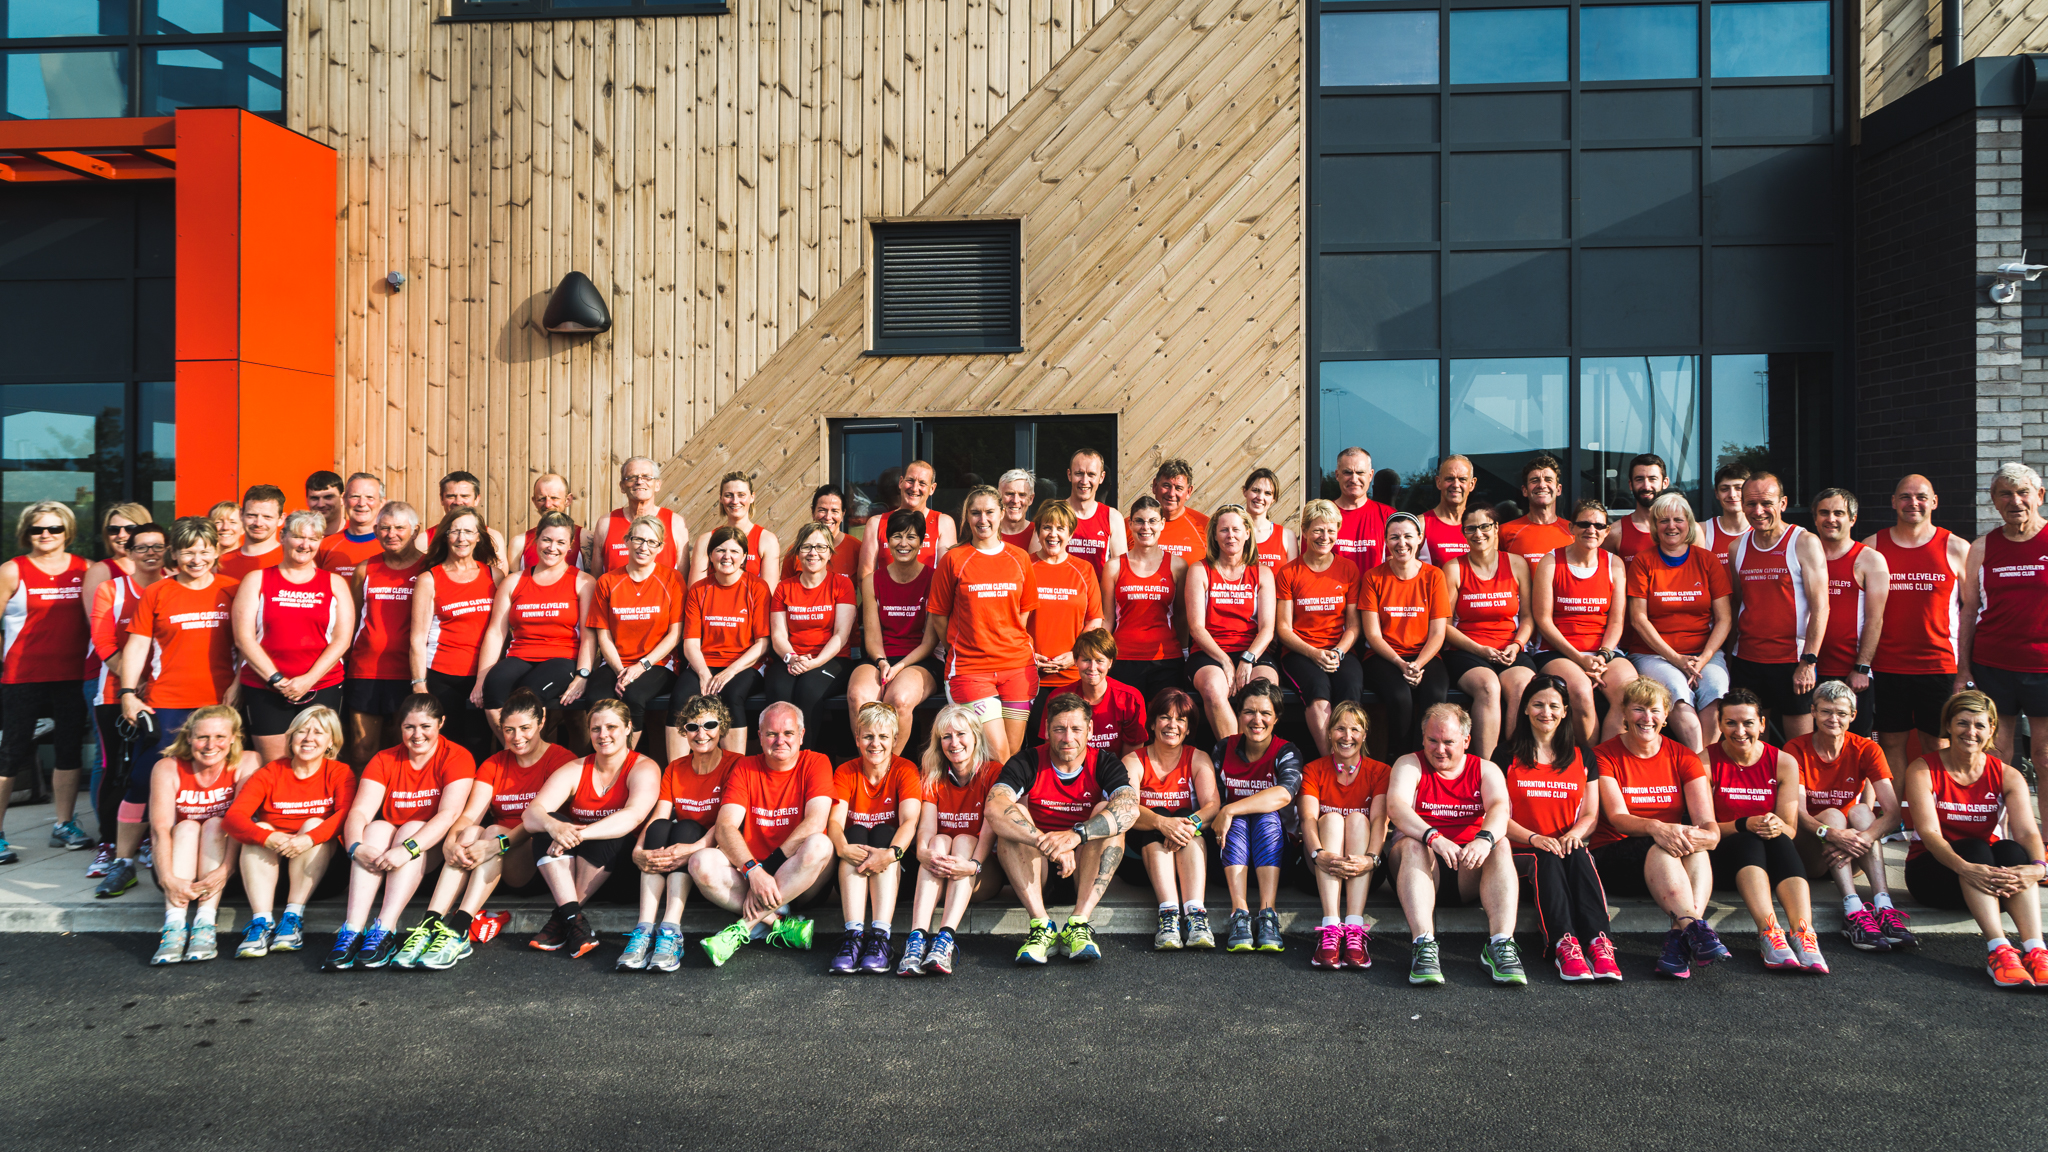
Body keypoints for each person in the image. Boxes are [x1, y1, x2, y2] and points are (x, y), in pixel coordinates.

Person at [116, 518, 241, 896]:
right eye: (188, 550)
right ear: (175, 553)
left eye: (205, 550)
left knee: (221, 783)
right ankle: (123, 860)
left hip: (219, 704)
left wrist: (237, 685)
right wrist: (126, 692)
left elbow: (250, 642)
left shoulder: (232, 589)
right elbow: (137, 644)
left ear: (216, 551)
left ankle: (210, 858)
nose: (197, 557)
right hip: (166, 702)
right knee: (144, 779)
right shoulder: (157, 592)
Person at [408, 690, 576, 969]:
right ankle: (431, 922)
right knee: (470, 833)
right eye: (508, 730)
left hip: (536, 861)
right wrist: (451, 840)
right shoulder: (494, 763)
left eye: (525, 728)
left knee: (491, 831)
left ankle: (461, 926)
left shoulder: (560, 759)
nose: (517, 737)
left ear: (541, 722)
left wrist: (498, 844)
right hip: (496, 856)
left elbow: (535, 821)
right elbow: (470, 815)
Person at [1900, 691, 2048, 987]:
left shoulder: (2007, 774)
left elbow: (2028, 832)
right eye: (1963, 723)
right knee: (1975, 848)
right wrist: (1964, 867)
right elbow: (1929, 834)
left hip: (1987, 881)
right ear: (1949, 726)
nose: (1971, 732)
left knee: (2011, 851)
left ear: (1991, 729)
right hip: (1935, 874)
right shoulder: (1923, 768)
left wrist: (2039, 867)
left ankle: (2036, 950)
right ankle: (1999, 951)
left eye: (1980, 725)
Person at [983, 692, 1141, 964]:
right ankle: (1041, 927)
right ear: (1046, 730)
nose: (1068, 737)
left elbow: (1130, 810)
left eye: (1076, 729)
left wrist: (1074, 836)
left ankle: (1079, 924)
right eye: (1059, 729)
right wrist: (1048, 843)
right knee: (1013, 815)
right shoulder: (1027, 761)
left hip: (1084, 869)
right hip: (1037, 871)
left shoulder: (1104, 763)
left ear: (1090, 730)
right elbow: (993, 808)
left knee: (1109, 813)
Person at [323, 694, 477, 970]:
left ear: (441, 723)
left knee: (412, 827)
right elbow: (359, 811)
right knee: (377, 828)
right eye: (409, 727)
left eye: (425, 726)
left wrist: (407, 850)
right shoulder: (385, 759)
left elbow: (448, 815)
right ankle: (353, 929)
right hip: (390, 857)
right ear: (400, 728)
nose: (417, 735)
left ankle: (385, 928)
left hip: (429, 856)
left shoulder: (456, 756)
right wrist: (356, 847)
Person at [1591, 678, 1731, 978]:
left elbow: (1709, 827)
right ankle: (1695, 928)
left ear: (1666, 716)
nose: (1647, 718)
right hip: (1614, 854)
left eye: (1655, 710)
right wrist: (1657, 827)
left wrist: (1700, 835)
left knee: (1692, 845)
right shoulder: (1604, 755)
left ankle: (1683, 936)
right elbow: (1616, 816)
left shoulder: (1684, 757)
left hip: (1669, 866)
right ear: (1625, 715)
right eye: (1638, 710)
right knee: (1668, 842)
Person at [1385, 704, 1525, 986]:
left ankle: (1500, 945)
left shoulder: (1485, 769)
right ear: (1423, 737)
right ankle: (1423, 945)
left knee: (1502, 844)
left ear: (1466, 741)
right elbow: (1396, 807)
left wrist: (1484, 840)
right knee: (1413, 844)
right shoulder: (1409, 763)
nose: (1440, 749)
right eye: (1432, 740)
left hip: (1467, 871)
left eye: (1449, 742)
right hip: (1421, 866)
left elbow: (1500, 808)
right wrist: (1434, 837)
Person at [692, 702, 836, 967]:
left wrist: (766, 869)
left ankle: (743, 928)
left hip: (802, 879)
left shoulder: (816, 761)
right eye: (771, 734)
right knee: (700, 862)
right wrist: (753, 871)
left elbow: (816, 820)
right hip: (754, 875)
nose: (780, 740)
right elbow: (725, 827)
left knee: (820, 844)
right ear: (759, 737)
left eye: (788, 733)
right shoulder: (745, 767)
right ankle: (779, 924)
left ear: (802, 735)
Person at [519, 699, 662, 959]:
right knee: (545, 825)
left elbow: (632, 817)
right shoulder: (577, 767)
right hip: (579, 874)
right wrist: (555, 827)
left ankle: (561, 917)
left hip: (621, 874)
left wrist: (577, 833)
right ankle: (574, 921)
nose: (603, 735)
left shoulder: (643, 767)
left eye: (611, 727)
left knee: (612, 833)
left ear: (628, 727)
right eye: (596, 729)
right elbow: (531, 814)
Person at [1499, 676, 1620, 982]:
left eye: (1554, 705)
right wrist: (1534, 838)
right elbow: (1495, 816)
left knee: (1578, 851)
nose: (1546, 712)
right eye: (1538, 704)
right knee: (1546, 855)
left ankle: (1599, 943)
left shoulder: (1582, 756)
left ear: (1565, 711)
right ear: (1525, 708)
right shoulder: (1505, 755)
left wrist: (1572, 836)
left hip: (1566, 854)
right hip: (1520, 857)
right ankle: (1563, 946)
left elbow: (1591, 815)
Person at [1786, 680, 1913, 952]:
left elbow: (1892, 813)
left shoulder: (1867, 748)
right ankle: (1853, 910)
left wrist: (1863, 837)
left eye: (1841, 713)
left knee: (1863, 811)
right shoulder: (1795, 749)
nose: (1834, 719)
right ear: (1813, 712)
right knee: (1832, 815)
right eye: (1826, 712)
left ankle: (1883, 905)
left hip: (1851, 850)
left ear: (1853, 716)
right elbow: (1795, 812)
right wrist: (1831, 834)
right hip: (1811, 849)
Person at [619, 694, 742, 972]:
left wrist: (694, 847)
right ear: (683, 732)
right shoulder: (675, 768)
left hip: (708, 865)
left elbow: (727, 823)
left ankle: (671, 930)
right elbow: (659, 815)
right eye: (692, 727)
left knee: (685, 827)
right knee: (664, 827)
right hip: (677, 863)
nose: (701, 734)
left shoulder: (736, 764)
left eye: (709, 725)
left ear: (721, 728)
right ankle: (644, 929)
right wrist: (638, 850)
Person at [1706, 689, 1824, 972]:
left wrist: (1774, 825)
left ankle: (1804, 933)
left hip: (1770, 861)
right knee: (1749, 839)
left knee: (1779, 837)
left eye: (1747, 722)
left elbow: (1791, 829)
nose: (1740, 731)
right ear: (1720, 725)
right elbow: (1704, 828)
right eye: (1731, 723)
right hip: (1723, 859)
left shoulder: (1783, 761)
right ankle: (1769, 932)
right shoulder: (1704, 761)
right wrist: (1743, 824)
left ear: (1761, 723)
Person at [0, 501, 92, 862]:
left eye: (54, 529)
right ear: (27, 532)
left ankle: (64, 824)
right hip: (22, 676)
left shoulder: (86, 568)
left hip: (73, 675)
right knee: (11, 754)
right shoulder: (11, 570)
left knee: (69, 750)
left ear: (67, 531)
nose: (46, 535)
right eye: (39, 529)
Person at [226, 705, 355, 958]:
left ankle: (293, 919)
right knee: (258, 829)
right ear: (291, 737)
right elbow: (232, 819)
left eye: (318, 732)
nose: (309, 738)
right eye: (302, 731)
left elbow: (345, 817)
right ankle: (261, 923)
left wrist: (308, 839)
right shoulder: (270, 772)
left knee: (314, 823)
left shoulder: (340, 772)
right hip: (271, 876)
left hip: (322, 876)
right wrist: (268, 837)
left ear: (331, 742)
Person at [232, 509, 357, 764]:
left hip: (321, 686)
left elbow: (342, 640)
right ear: (282, 537)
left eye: (313, 538)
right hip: (266, 688)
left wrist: (308, 680)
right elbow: (243, 638)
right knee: (274, 766)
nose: (305, 544)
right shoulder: (257, 579)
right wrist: (276, 679)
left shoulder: (334, 583)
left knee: (318, 764)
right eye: (298, 536)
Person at [930, 485, 1040, 762]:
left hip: (1017, 667)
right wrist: (964, 645)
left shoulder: (1020, 558)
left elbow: (1022, 615)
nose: (983, 520)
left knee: (1013, 752)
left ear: (1002, 513)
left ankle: (998, 803)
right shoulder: (954, 559)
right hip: (970, 669)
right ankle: (992, 806)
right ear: (966, 517)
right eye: (975, 513)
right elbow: (939, 617)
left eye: (989, 512)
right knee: (998, 753)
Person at [1869, 474, 1969, 776]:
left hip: (1938, 665)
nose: (1913, 503)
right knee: (1890, 742)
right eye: (1905, 496)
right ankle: (1897, 818)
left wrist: (1965, 669)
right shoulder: (1873, 546)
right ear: (1893, 503)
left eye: (1921, 496)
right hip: (1886, 664)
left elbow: (1974, 610)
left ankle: (1934, 817)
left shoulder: (1957, 547)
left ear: (1934, 502)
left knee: (1937, 743)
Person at [144, 706, 261, 964]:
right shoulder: (167, 767)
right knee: (185, 827)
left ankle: (204, 925)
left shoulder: (248, 761)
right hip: (175, 871)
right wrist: (167, 879)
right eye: (202, 737)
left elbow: (241, 823)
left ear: (233, 738)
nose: (210, 745)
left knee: (216, 824)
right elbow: (160, 829)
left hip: (222, 870)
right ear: (188, 738)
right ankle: (174, 925)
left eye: (219, 737)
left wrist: (227, 870)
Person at [85, 520, 167, 883]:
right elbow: (103, 643)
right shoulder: (111, 589)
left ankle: (148, 840)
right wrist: (134, 684)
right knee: (116, 768)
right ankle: (109, 844)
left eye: (157, 546)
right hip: (115, 696)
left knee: (153, 771)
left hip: (164, 695)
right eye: (142, 547)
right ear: (129, 553)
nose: (150, 553)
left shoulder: (175, 585)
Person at [1955, 461, 2048, 772]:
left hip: (2043, 666)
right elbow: (1968, 611)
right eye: (2005, 494)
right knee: (1995, 756)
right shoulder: (1982, 548)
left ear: (2040, 495)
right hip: (1992, 666)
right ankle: (2000, 823)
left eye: (2023, 492)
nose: (2015, 501)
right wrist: (1963, 669)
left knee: (2045, 758)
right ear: (1993, 500)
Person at [900, 703, 1004, 975]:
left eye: (961, 734)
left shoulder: (993, 772)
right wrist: (922, 851)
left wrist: (972, 865)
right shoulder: (933, 774)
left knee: (964, 840)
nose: (954, 742)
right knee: (938, 842)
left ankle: (945, 939)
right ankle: (917, 938)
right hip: (940, 872)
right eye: (946, 736)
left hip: (980, 872)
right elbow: (927, 826)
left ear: (975, 737)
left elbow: (989, 830)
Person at [1624, 492, 1734, 751]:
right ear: (1654, 526)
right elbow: (1638, 619)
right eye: (1663, 521)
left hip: (1703, 653)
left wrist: (1703, 659)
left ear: (1689, 524)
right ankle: (1698, 769)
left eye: (1678, 520)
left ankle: (1703, 769)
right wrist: (1677, 659)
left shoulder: (1708, 561)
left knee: (1716, 688)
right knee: (1676, 690)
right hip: (1654, 654)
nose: (1671, 526)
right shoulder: (1643, 561)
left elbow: (1725, 619)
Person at [1727, 472, 1830, 741]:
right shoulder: (1737, 547)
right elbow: (1738, 604)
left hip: (1792, 662)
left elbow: (1821, 607)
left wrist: (1809, 661)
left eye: (1766, 503)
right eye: (1750, 503)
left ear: (1783, 503)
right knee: (1748, 745)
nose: (1758, 511)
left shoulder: (1804, 542)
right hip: (1747, 660)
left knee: (1799, 748)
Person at [473, 511, 598, 731]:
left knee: (529, 694)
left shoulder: (583, 582)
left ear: (570, 546)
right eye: (547, 540)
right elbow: (495, 633)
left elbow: (589, 636)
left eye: (560, 542)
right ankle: (513, 752)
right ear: (535, 540)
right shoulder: (513, 582)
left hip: (562, 658)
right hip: (520, 655)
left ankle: (535, 758)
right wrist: (481, 678)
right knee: (494, 687)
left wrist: (583, 675)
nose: (552, 547)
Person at [824, 703, 925, 973]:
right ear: (857, 740)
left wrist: (890, 854)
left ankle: (880, 937)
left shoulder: (905, 770)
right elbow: (834, 821)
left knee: (883, 832)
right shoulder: (846, 771)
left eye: (883, 737)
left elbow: (909, 822)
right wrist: (842, 847)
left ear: (894, 738)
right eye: (868, 736)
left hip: (894, 871)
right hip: (852, 871)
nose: (875, 744)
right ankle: (854, 936)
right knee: (854, 832)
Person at [1119, 688, 1221, 951]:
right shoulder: (1133, 760)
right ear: (1152, 723)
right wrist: (1161, 823)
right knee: (1162, 815)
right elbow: (1125, 806)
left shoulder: (1198, 758)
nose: (1172, 725)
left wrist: (1187, 825)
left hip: (1189, 858)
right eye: (1165, 717)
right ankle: (1168, 916)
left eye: (1181, 720)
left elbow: (1212, 806)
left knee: (1186, 818)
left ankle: (1196, 916)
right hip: (1140, 862)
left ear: (1188, 728)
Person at [1532, 499, 1635, 743]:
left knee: (1631, 695)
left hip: (1602, 652)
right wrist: (1579, 658)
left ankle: (1606, 766)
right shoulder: (1550, 562)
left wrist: (1604, 655)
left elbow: (1616, 621)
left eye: (1599, 526)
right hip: (1558, 651)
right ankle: (1588, 766)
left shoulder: (1615, 564)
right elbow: (1543, 620)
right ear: (1571, 528)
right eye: (1585, 524)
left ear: (1607, 531)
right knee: (1580, 692)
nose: (1592, 530)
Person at [1212, 681, 1303, 954]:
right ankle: (1239, 914)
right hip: (1228, 859)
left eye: (1265, 712)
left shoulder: (1287, 751)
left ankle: (1267, 914)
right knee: (1238, 820)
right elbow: (1212, 802)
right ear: (1239, 715)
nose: (1257, 720)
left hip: (1279, 859)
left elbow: (1284, 795)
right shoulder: (1224, 748)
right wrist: (1227, 811)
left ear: (1276, 717)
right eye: (1249, 712)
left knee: (1264, 816)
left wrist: (1231, 808)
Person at [1441, 503, 1536, 760]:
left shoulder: (1517, 564)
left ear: (1496, 528)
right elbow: (1444, 627)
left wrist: (1516, 645)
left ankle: (1515, 764)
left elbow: (1528, 617)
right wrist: (1481, 650)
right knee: (1488, 687)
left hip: (1509, 648)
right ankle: (1485, 768)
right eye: (1471, 528)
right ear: (1463, 533)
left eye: (1484, 526)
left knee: (1522, 687)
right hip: (1467, 650)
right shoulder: (1453, 568)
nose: (1478, 533)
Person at [1299, 700, 1388, 970]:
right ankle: (1329, 928)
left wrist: (1370, 859)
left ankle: (1354, 930)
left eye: (1354, 730)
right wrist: (1318, 853)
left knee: (1360, 820)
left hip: (1365, 869)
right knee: (1333, 819)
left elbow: (1380, 820)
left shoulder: (1381, 771)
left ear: (1364, 734)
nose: (1347, 737)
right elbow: (1307, 818)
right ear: (1329, 733)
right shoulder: (1314, 770)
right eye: (1339, 729)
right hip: (1318, 866)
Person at [846, 508, 942, 756]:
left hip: (919, 660)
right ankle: (868, 765)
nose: (903, 543)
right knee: (858, 697)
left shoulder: (934, 579)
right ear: (887, 541)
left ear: (921, 542)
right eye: (897, 536)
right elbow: (872, 637)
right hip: (882, 657)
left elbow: (929, 642)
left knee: (898, 699)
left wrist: (899, 667)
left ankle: (891, 769)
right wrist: (881, 662)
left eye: (911, 537)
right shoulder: (872, 581)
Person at [409, 507, 502, 759]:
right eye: (455, 531)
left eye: (469, 531)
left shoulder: (495, 575)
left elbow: (501, 631)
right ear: (445, 536)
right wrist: (419, 685)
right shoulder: (429, 579)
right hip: (441, 676)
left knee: (479, 748)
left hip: (482, 677)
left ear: (479, 536)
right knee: (444, 750)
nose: (462, 538)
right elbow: (417, 638)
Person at [586, 513, 686, 746]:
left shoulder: (672, 579)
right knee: (595, 697)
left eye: (652, 542)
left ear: (660, 547)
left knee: (634, 696)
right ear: (626, 541)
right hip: (616, 663)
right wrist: (622, 671)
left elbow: (675, 635)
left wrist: (641, 667)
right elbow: (604, 635)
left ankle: (628, 759)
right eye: (638, 539)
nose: (644, 547)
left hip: (659, 663)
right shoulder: (607, 581)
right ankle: (606, 756)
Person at [343, 502, 428, 769]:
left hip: (410, 672)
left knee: (400, 751)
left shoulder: (429, 569)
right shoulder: (364, 569)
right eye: (384, 528)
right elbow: (351, 620)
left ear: (415, 531)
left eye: (399, 528)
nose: (391, 534)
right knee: (361, 751)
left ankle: (392, 809)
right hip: (365, 671)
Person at [1357, 512, 1451, 756]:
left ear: (1419, 538)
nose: (1402, 543)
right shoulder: (1373, 577)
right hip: (1384, 657)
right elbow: (1373, 635)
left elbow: (1438, 633)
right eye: (1394, 537)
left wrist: (1418, 664)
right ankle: (1398, 761)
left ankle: (1426, 760)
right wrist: (1401, 663)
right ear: (1385, 541)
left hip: (1425, 656)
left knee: (1435, 695)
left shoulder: (1434, 576)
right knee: (1400, 697)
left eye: (1408, 536)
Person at [1275, 499, 1362, 758]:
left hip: (1339, 650)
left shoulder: (1348, 569)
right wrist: (1314, 654)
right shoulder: (1289, 572)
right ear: (1304, 531)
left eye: (1331, 530)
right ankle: (1330, 762)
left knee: (1350, 690)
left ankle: (1353, 763)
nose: (1325, 537)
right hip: (1300, 652)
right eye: (1318, 530)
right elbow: (1283, 628)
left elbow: (1354, 625)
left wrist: (1338, 652)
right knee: (1318, 693)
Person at [1185, 504, 1279, 740]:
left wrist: (1248, 658)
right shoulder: (1200, 570)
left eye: (1236, 529)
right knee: (1214, 688)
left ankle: (1255, 758)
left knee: (1265, 691)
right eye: (1224, 530)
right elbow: (1196, 627)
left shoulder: (1262, 573)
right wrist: (1226, 661)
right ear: (1215, 536)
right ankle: (1232, 758)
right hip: (1210, 651)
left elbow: (1268, 628)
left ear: (1248, 533)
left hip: (1252, 650)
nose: (1231, 535)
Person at [676, 524, 771, 756]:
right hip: (705, 662)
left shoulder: (757, 588)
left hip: (746, 664)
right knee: (681, 697)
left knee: (732, 694)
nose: (726, 556)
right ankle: (676, 773)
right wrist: (703, 673)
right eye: (720, 550)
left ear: (744, 557)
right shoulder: (699, 589)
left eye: (734, 551)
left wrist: (730, 672)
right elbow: (690, 643)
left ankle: (734, 768)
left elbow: (762, 643)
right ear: (710, 555)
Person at [1810, 487, 1888, 735]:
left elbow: (1876, 619)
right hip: (1808, 669)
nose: (1830, 519)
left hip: (1850, 673)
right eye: (1824, 513)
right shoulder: (1803, 554)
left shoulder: (1869, 559)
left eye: (1838, 513)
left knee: (1855, 745)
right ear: (1815, 518)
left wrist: (1862, 667)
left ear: (1852, 519)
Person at [1026, 501, 1104, 732]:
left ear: (1070, 534)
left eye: (1060, 528)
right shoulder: (1023, 566)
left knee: (1070, 742)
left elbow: (1094, 620)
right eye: (1047, 527)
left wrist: (1076, 655)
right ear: (1038, 532)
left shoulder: (1084, 570)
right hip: (1030, 676)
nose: (1053, 534)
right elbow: (1009, 619)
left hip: (1073, 677)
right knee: (1033, 745)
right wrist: (1028, 654)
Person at [1101, 495, 1186, 705]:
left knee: (1163, 723)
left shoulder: (1178, 566)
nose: (1145, 527)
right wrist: (1101, 656)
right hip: (1123, 660)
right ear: (1130, 525)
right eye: (1139, 521)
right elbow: (1107, 619)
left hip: (1166, 661)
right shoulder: (1114, 567)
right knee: (1128, 727)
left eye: (1152, 521)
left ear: (1162, 524)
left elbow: (1182, 616)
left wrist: (1185, 652)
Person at [857, 459, 956, 577]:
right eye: (910, 481)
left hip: (928, 595)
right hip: (886, 595)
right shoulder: (876, 523)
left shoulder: (943, 523)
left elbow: (946, 576)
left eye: (922, 483)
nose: (914, 488)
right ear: (900, 482)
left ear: (932, 489)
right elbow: (864, 577)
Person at [1060, 629, 1147, 762]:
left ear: (1110, 662)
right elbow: (1054, 748)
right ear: (1076, 661)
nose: (1092, 667)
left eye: (1100, 660)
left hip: (1114, 775)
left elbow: (1131, 758)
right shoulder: (1060, 698)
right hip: (1072, 772)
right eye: (1086, 660)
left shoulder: (1130, 699)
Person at [598, 456, 690, 576]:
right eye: (632, 478)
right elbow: (596, 578)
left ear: (657, 484)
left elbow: (683, 580)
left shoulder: (675, 522)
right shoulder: (606, 523)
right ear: (622, 486)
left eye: (647, 477)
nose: (639, 482)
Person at [688, 470, 779, 589]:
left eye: (741, 495)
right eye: (728, 495)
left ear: (752, 497)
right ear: (720, 498)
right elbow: (695, 591)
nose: (735, 501)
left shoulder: (766, 540)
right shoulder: (706, 540)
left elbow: (768, 594)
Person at [1604, 454, 1696, 560]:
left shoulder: (1689, 530)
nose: (1646, 486)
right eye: (1639, 479)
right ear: (1630, 484)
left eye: (1652, 479)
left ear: (1665, 482)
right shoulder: (1615, 533)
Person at [1498, 455, 1571, 570]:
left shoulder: (1573, 533)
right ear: (1525, 490)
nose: (1542, 485)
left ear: (1558, 489)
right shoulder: (1504, 532)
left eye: (1548, 480)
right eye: (1535, 480)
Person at [777, 485, 862, 582]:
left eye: (835, 511)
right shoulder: (797, 550)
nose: (828, 517)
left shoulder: (857, 549)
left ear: (842, 514)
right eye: (822, 510)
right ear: (813, 512)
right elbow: (786, 590)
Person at [1061, 448, 1126, 574]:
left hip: (1099, 593)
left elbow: (1120, 570)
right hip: (1063, 592)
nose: (1084, 481)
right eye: (1079, 473)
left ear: (1101, 477)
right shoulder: (1052, 514)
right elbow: (1037, 566)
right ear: (1069, 475)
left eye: (1091, 474)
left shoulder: (1113, 517)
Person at [1330, 446, 1395, 571]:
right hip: (1333, 590)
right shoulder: (1322, 517)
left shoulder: (1388, 516)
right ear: (1337, 475)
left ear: (1370, 475)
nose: (1354, 479)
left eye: (1360, 473)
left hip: (1375, 590)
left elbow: (1396, 568)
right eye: (1347, 472)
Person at [315, 472, 388, 580]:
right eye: (355, 496)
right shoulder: (325, 546)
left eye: (369, 497)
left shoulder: (391, 545)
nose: (362, 503)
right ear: (344, 499)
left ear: (382, 503)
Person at [427, 471, 509, 563]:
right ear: (441, 499)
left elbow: (499, 574)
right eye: (451, 496)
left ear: (477, 499)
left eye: (465, 496)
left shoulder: (493, 538)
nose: (458, 502)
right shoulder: (425, 539)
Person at [509, 473, 583, 573]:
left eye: (554, 498)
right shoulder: (519, 543)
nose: (547, 505)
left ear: (568, 500)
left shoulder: (585, 539)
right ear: (534, 501)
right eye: (541, 499)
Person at [1416, 455, 1476, 566]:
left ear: (1472, 484)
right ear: (1438, 482)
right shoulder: (1421, 524)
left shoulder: (1482, 528)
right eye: (1450, 479)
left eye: (1462, 479)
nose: (1456, 485)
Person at [217, 484, 284, 580]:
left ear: (281, 519)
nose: (258, 523)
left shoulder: (291, 559)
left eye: (267, 517)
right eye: (251, 515)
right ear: (241, 514)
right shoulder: (221, 563)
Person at [1150, 458, 1209, 564]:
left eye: (1179, 488)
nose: (1171, 493)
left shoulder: (1205, 527)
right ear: (1155, 486)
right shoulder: (1132, 526)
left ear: (1189, 492)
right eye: (1166, 486)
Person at [1242, 467, 1296, 570]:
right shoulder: (1232, 533)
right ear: (1245, 492)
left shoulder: (1287, 536)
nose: (1260, 497)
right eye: (1255, 490)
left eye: (1267, 493)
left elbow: (1292, 581)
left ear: (1273, 499)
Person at [1701, 463, 1750, 566]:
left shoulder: (1762, 530)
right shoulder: (1703, 531)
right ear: (1717, 494)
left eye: (1738, 488)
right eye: (1725, 489)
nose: (1732, 495)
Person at [996, 468, 1040, 551]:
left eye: (1022, 495)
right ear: (999, 496)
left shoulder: (1041, 534)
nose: (1015, 500)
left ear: (1031, 499)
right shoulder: (987, 533)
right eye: (1010, 494)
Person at [304, 470, 345, 537]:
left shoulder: (358, 534)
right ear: (307, 500)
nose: (321, 505)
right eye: (315, 498)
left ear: (342, 498)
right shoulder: (297, 540)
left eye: (328, 497)